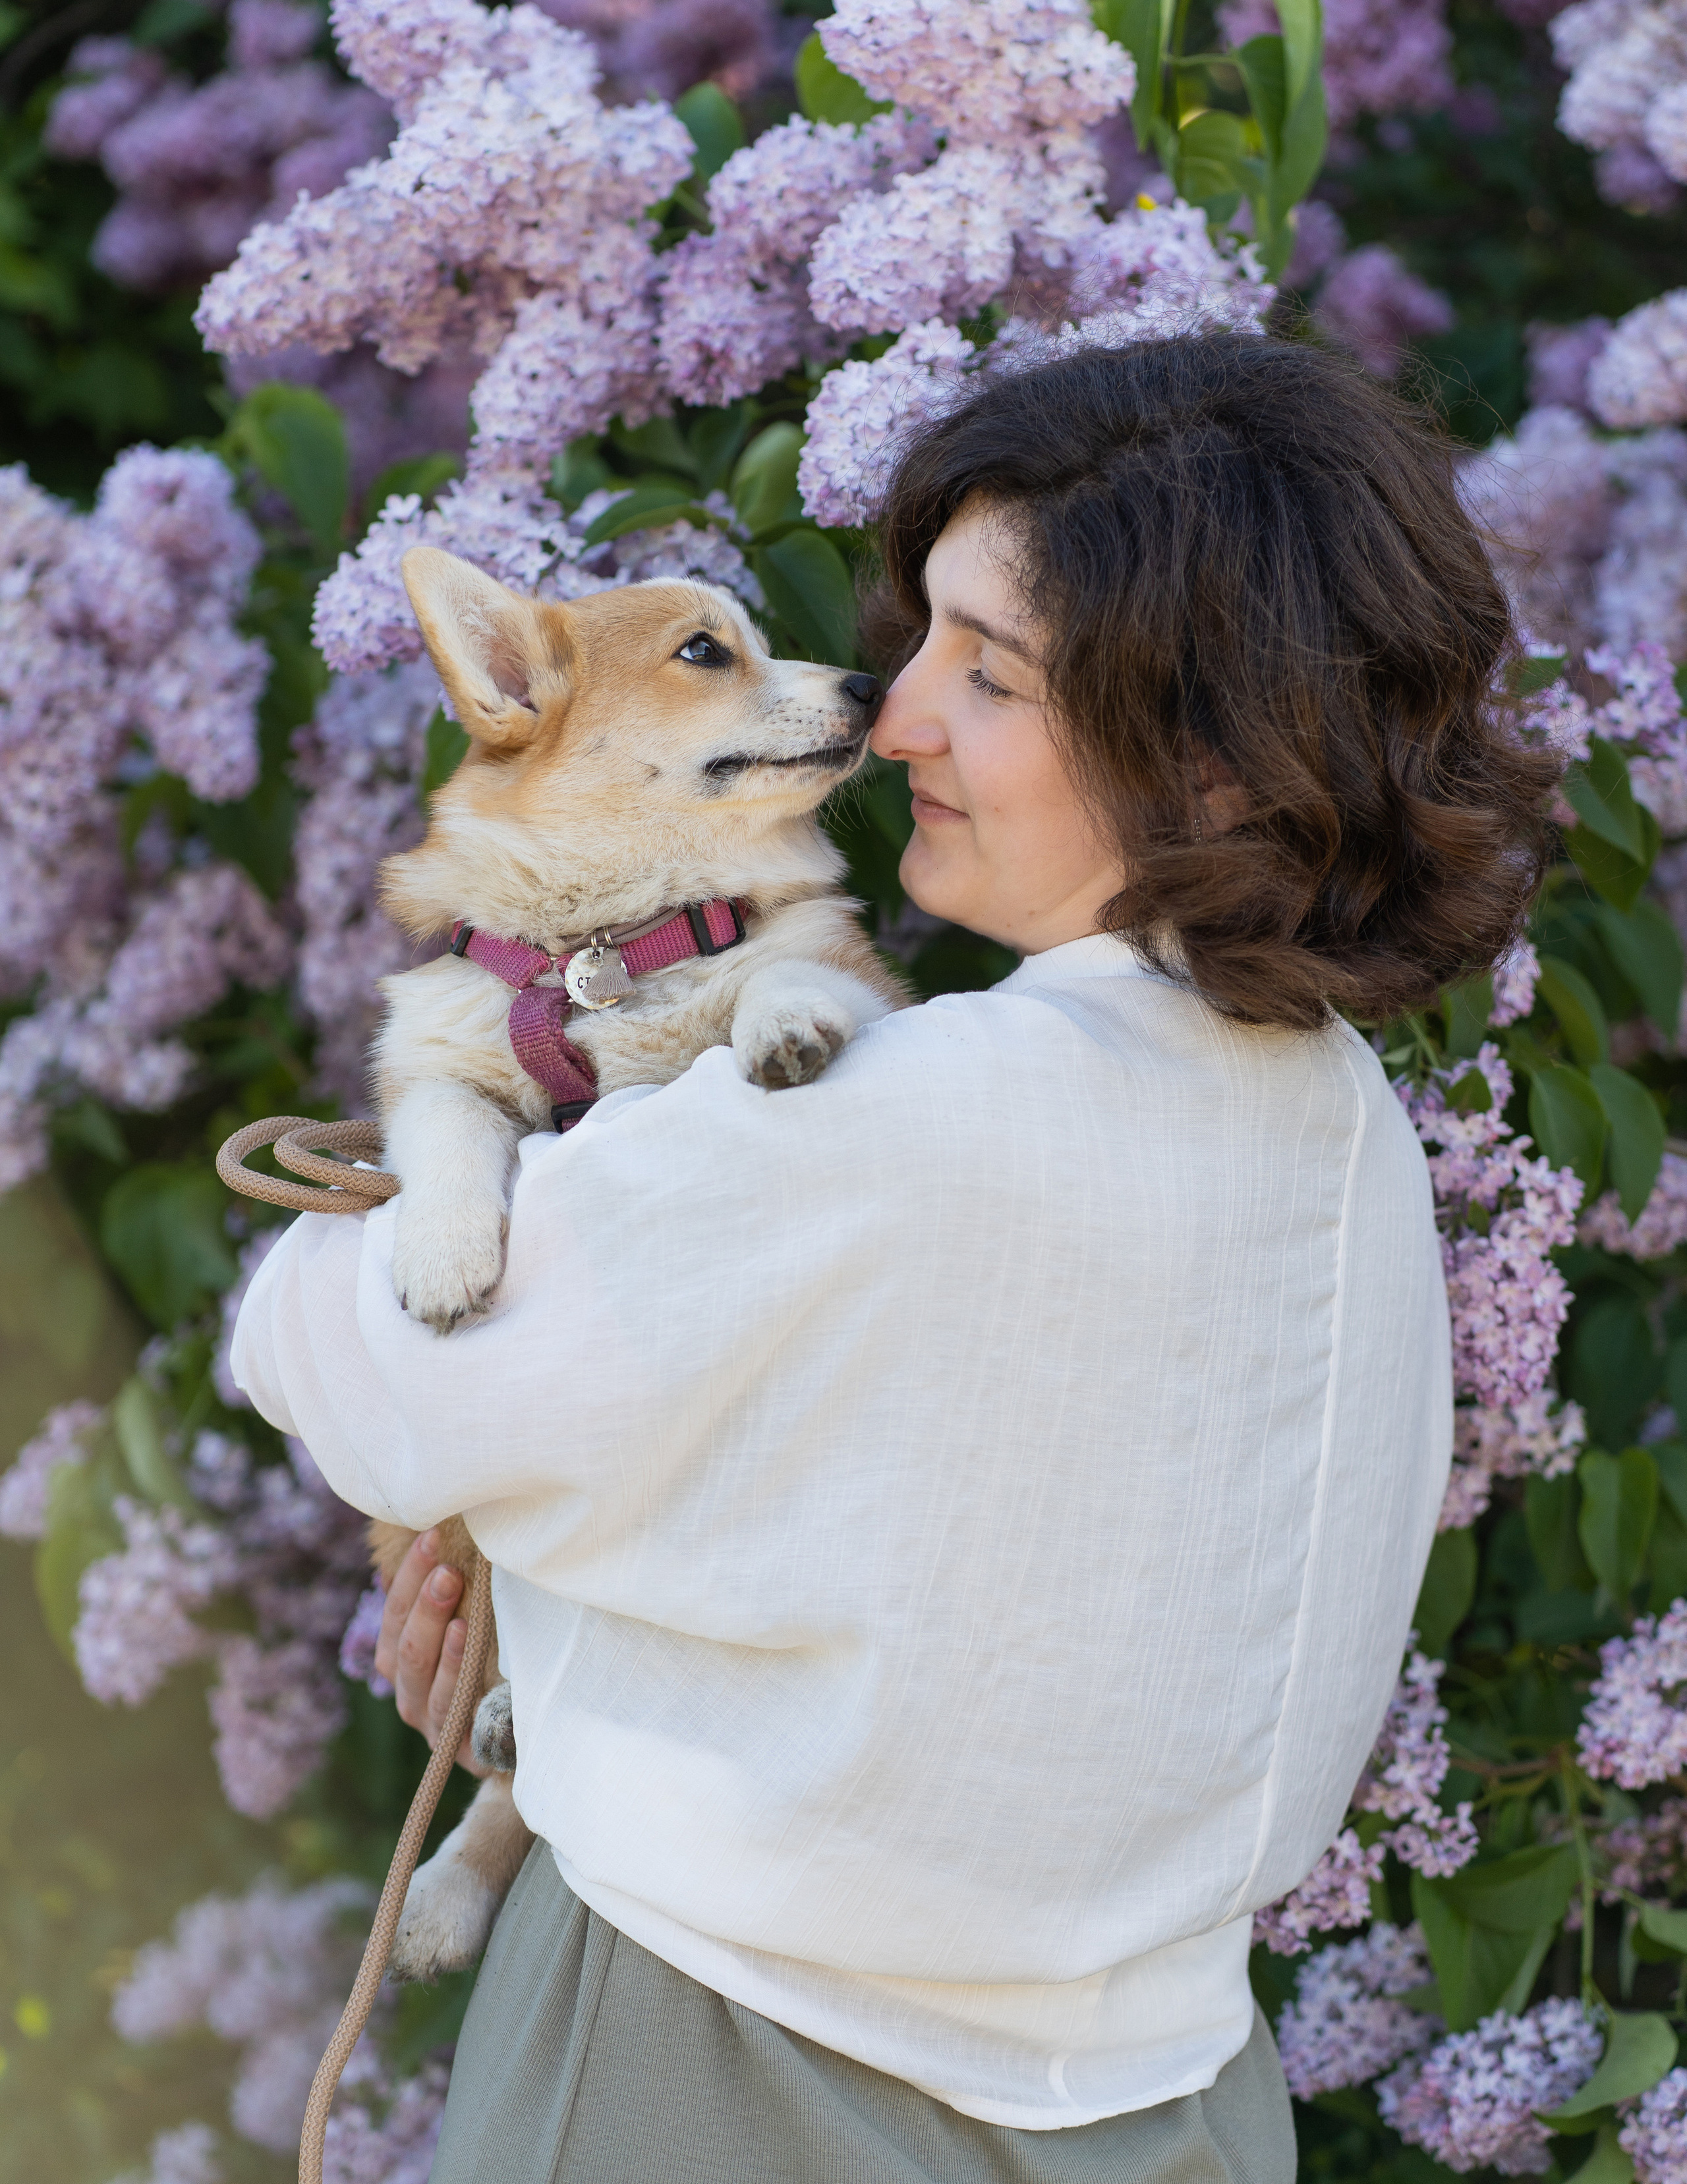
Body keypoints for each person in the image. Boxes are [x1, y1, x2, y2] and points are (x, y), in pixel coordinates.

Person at [232, 331, 1553, 2184]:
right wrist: (569, 1632)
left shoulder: (877, 1117)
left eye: (990, 675)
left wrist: (482, 1110)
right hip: (1181, 2112)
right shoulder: (1348, 1144)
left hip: (715, 2075)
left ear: (1215, 763)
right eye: (926, 634)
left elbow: (347, 1356)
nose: (898, 713)